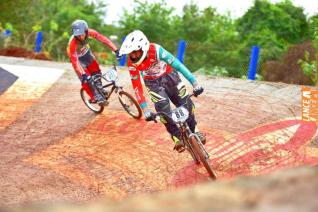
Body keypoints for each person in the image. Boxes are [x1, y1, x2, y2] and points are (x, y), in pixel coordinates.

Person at [119, 30, 206, 153]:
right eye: (130, 54)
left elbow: (179, 66)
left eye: (135, 52)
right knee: (163, 110)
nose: (132, 56)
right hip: (153, 84)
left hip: (170, 76)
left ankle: (195, 130)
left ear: (143, 47)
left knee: (186, 103)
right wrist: (145, 110)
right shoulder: (132, 63)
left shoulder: (157, 50)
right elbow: (137, 86)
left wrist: (195, 83)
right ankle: (177, 137)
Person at [67, 19, 121, 104]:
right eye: (77, 35)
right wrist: (83, 74)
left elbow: (104, 40)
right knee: (86, 79)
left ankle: (100, 88)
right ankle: (94, 97)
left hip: (86, 53)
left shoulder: (90, 32)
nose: (80, 37)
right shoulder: (72, 43)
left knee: (96, 72)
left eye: (82, 34)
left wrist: (115, 50)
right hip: (77, 59)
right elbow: (74, 60)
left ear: (86, 31)